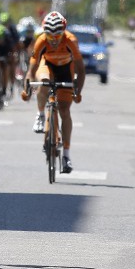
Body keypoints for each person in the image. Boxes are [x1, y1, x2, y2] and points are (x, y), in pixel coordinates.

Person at [21, 11, 85, 174]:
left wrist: (78, 91)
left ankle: (66, 155)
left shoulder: (70, 40)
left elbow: (80, 69)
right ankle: (41, 114)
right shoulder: (41, 40)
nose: (54, 40)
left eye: (57, 36)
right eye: (51, 36)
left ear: (63, 32)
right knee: (43, 81)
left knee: (64, 110)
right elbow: (32, 68)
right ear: (45, 33)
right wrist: (26, 88)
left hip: (65, 70)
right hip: (47, 66)